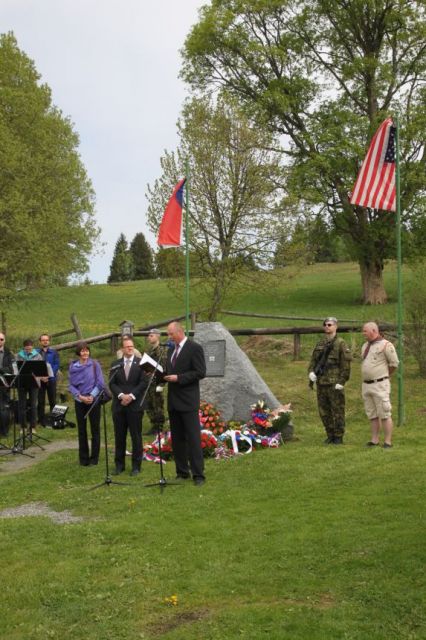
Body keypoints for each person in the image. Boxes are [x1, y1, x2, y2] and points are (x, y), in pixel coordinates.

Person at [164, 321, 206, 485]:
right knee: (177, 439)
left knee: (193, 438)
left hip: (188, 401)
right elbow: (170, 371)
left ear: (179, 332)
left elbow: (200, 372)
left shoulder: (194, 348)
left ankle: (198, 474)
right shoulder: (170, 350)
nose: (169, 336)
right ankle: (182, 471)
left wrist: (179, 378)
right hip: (173, 401)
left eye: (170, 333)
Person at [308, 317, 352, 444]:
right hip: (321, 382)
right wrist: (311, 372)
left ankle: (338, 436)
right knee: (324, 411)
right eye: (325, 324)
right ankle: (330, 434)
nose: (327, 326)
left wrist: (342, 381)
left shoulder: (341, 343)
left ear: (336, 327)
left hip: (334, 383)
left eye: (330, 324)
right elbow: (313, 361)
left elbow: (346, 365)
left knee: (337, 410)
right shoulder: (320, 344)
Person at [109, 336, 148, 476]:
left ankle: (136, 466)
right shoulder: (116, 364)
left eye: (132, 346)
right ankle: (119, 465)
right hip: (119, 406)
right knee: (119, 436)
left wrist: (131, 396)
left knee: (136, 436)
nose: (130, 348)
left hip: (135, 406)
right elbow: (112, 383)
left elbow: (143, 383)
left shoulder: (141, 363)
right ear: (122, 349)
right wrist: (121, 396)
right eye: (127, 347)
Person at [361, 322, 399, 448]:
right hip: (366, 385)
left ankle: (388, 442)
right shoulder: (365, 345)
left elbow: (394, 364)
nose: (363, 333)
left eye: (365, 331)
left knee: (384, 413)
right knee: (372, 414)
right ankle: (374, 440)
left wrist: (384, 376)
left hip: (380, 385)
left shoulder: (386, 345)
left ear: (373, 330)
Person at [68, 342, 105, 466]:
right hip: (79, 401)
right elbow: (71, 385)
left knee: (95, 429)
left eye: (87, 350)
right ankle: (83, 459)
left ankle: (94, 458)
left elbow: (100, 383)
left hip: (93, 401)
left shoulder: (95, 365)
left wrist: (91, 396)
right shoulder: (73, 367)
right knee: (82, 430)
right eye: (82, 351)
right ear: (78, 352)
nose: (85, 353)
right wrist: (80, 396)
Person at [16, 339, 44, 435]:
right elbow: (15, 368)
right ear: (24, 348)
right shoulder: (19, 355)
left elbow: (41, 370)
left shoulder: (38, 356)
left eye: (30, 349)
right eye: (27, 349)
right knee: (22, 405)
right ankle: (23, 427)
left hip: (34, 383)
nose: (28, 351)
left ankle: (33, 427)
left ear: (33, 347)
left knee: (33, 405)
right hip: (22, 383)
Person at [145, 328, 167, 435]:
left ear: (158, 336)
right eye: (149, 335)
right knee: (149, 404)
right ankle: (153, 425)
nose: (149, 337)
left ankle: (159, 426)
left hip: (158, 381)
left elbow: (163, 367)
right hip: (149, 382)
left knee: (157, 403)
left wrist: (161, 384)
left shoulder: (161, 350)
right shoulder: (150, 351)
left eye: (151, 335)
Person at [37, 333, 60, 426]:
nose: (45, 341)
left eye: (47, 340)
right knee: (40, 401)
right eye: (43, 340)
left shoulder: (54, 353)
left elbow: (56, 365)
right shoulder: (36, 352)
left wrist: (49, 376)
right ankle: (41, 420)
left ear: (49, 341)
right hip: (40, 380)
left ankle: (54, 419)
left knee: (52, 400)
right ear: (40, 342)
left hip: (51, 380)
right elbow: (35, 365)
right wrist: (41, 377)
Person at [0, 332, 14, 437]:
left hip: (4, 384)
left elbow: (12, 368)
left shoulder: (9, 353)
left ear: (4, 340)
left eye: (1, 339)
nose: (0, 341)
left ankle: (4, 431)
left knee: (4, 408)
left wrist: (1, 370)